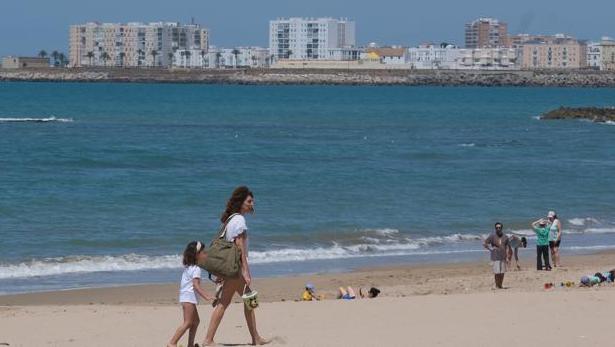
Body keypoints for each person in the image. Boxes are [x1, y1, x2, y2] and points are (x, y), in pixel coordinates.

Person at [203, 186, 269, 346]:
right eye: (249, 201)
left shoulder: (230, 220)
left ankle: (254, 337)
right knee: (247, 300)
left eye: (252, 201)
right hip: (237, 269)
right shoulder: (239, 220)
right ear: (241, 202)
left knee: (231, 302)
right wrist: (245, 271)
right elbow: (239, 246)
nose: (252, 204)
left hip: (231, 269)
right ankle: (210, 339)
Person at [168, 241, 213, 347]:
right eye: (203, 252)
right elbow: (196, 286)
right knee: (188, 322)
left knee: (196, 321)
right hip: (188, 298)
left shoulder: (189, 267)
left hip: (185, 298)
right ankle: (172, 343)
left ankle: (190, 345)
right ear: (197, 254)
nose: (205, 253)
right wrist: (207, 296)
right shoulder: (196, 269)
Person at [483, 222, 511, 289]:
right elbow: (484, 243)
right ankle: (497, 285)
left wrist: (507, 257)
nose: (498, 228)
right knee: (497, 272)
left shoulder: (505, 237)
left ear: (502, 228)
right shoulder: (492, 236)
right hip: (495, 256)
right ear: (495, 228)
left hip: (503, 256)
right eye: (497, 227)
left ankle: (500, 285)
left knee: (502, 272)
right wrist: (490, 249)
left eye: (499, 227)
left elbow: (507, 247)